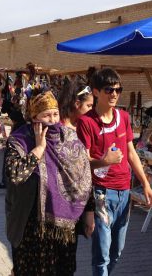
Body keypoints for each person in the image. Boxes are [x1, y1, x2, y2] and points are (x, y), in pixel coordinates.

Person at [77, 68, 152, 276]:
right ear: (95, 92)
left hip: (124, 192)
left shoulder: (123, 117)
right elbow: (82, 161)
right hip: (101, 193)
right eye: (108, 89)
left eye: (118, 90)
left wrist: (146, 185)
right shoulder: (86, 122)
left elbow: (131, 153)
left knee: (117, 252)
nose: (114, 94)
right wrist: (105, 161)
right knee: (101, 254)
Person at [5, 90, 92, 276]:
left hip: (64, 231)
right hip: (30, 227)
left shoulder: (69, 138)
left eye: (55, 114)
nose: (52, 120)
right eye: (46, 115)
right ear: (33, 117)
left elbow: (83, 178)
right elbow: (15, 174)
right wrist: (38, 148)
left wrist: (89, 213)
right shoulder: (20, 140)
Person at [58, 77, 95, 238]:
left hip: (76, 206)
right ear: (76, 104)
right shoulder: (57, 130)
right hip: (58, 206)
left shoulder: (80, 128)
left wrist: (88, 211)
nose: (92, 110)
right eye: (89, 106)